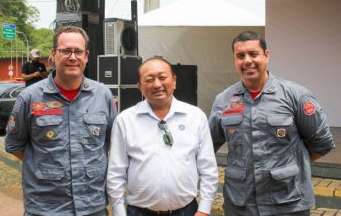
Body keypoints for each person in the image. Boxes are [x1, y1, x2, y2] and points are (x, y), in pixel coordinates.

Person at [209, 30, 336, 216]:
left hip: (288, 203)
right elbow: (207, 146)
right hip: (241, 204)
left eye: (253, 54)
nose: (247, 61)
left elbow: (322, 143)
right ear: (234, 60)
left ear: (266, 55)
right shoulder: (223, 100)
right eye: (240, 56)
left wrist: (289, 165)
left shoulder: (296, 95)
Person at [5, 26, 117, 216]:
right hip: (45, 208)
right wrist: (46, 164)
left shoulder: (102, 95)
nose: (72, 57)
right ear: (53, 54)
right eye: (65, 50)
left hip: (92, 206)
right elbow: (14, 145)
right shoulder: (30, 97)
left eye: (78, 51)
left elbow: (112, 142)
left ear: (86, 56)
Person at [107, 56, 219, 216]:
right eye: (149, 79)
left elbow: (208, 168)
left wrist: (204, 209)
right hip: (139, 212)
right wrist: (118, 212)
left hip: (187, 211)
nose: (157, 84)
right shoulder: (125, 120)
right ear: (139, 86)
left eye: (162, 77)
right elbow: (116, 172)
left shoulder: (195, 117)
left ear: (174, 81)